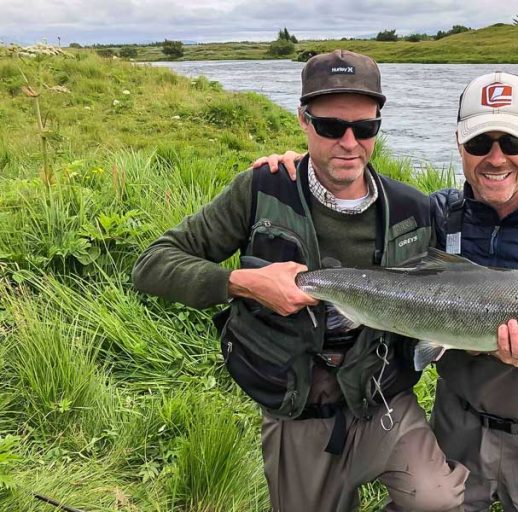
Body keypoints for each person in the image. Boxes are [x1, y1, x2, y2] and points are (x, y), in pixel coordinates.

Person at [253, 72, 518, 512]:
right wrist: (304, 166)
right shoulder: (434, 216)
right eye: (480, 143)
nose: (496, 158)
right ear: (460, 143)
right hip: (458, 427)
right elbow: (358, 197)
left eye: (512, 143)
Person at [132, 49, 469, 512]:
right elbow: (152, 264)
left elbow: (465, 278)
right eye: (331, 127)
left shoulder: (413, 207)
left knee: (438, 500)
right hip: (299, 404)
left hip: (383, 399)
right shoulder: (260, 190)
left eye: (364, 128)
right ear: (303, 121)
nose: (349, 143)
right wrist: (242, 283)